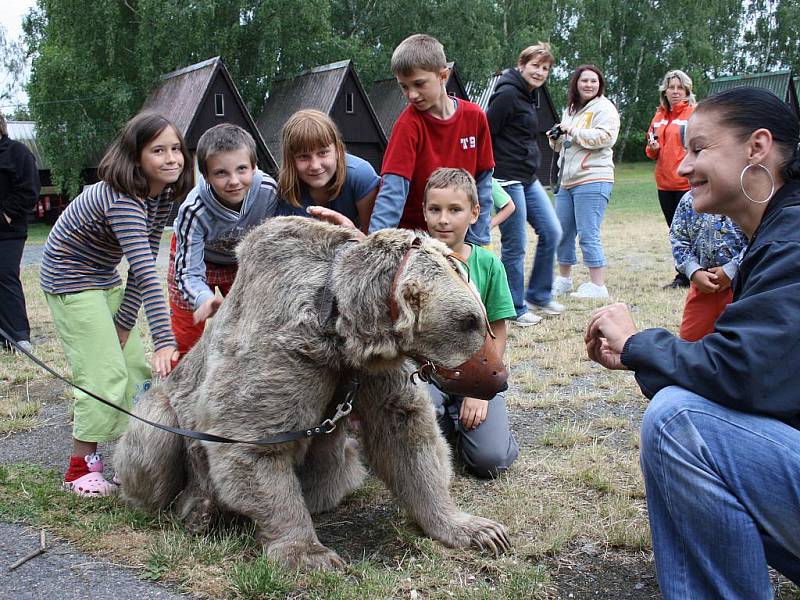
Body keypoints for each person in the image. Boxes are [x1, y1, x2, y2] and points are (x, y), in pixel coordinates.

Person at [584, 87, 800, 599]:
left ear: (758, 147)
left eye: (700, 149)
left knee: (680, 423)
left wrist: (638, 343)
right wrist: (637, 355)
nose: (683, 168)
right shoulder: (777, 235)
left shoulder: (792, 240)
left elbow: (741, 371)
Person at [40, 113, 192, 497]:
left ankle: (132, 460)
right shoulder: (123, 199)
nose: (172, 158)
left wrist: (125, 322)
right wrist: (163, 340)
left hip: (103, 276)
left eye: (176, 149)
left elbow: (138, 268)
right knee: (103, 375)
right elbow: (144, 268)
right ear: (135, 156)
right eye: (158, 150)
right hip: (70, 279)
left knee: (133, 369)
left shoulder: (160, 195)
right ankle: (80, 468)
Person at [421, 168, 518, 477]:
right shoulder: (414, 263)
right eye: (435, 209)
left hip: (476, 374)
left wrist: (480, 392)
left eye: (455, 210)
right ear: (424, 212)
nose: (443, 219)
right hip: (429, 375)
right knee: (415, 435)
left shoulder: (488, 265)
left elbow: (498, 333)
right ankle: (447, 417)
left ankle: (484, 432)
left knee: (489, 462)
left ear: (475, 213)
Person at [367, 34, 495, 252]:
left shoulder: (475, 117)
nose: (412, 94)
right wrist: (375, 248)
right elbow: (392, 193)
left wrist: (480, 243)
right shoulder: (407, 125)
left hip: (458, 238)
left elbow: (483, 185)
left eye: (418, 84)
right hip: (416, 243)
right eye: (404, 87)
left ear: (443, 75)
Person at [169, 124, 278, 358]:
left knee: (250, 328)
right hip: (197, 259)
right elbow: (187, 272)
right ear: (205, 176)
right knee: (185, 337)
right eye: (221, 173)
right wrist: (202, 298)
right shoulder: (193, 210)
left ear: (254, 167)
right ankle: (179, 390)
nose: (234, 181)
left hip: (238, 262)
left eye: (242, 169)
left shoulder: (268, 191)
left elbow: (267, 245)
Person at [487, 42, 563, 325]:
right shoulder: (507, 94)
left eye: (545, 68)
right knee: (515, 245)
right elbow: (487, 130)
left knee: (552, 231)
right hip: (506, 178)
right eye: (535, 65)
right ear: (522, 65)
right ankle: (513, 308)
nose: (540, 72)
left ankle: (539, 294)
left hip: (528, 178)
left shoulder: (530, 95)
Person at [549, 65, 619, 299]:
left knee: (588, 232)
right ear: (576, 83)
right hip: (566, 180)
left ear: (600, 85)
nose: (589, 85)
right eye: (584, 81)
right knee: (563, 232)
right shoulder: (571, 109)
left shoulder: (604, 108)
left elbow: (606, 137)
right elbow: (563, 145)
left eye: (594, 81)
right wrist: (555, 138)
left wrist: (574, 131)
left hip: (593, 177)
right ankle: (564, 279)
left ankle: (598, 285)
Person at [276, 109, 379, 234]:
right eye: (303, 156)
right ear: (290, 159)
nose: (315, 165)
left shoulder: (361, 176)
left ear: (338, 150)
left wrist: (352, 233)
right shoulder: (284, 189)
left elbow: (373, 239)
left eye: (323, 153)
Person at [669, 190, 746, 341]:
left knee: (741, 339)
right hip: (703, 287)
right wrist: (693, 270)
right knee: (691, 340)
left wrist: (732, 269)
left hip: (742, 287)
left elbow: (759, 237)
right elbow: (678, 238)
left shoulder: (747, 197)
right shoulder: (689, 199)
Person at [646, 69, 697, 289]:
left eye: (680, 88)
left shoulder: (694, 115)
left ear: (687, 91)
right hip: (664, 184)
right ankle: (683, 275)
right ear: (665, 91)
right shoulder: (658, 117)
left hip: (688, 183)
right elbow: (650, 151)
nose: (675, 91)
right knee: (675, 232)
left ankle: (697, 273)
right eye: (671, 87)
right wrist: (653, 147)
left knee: (693, 231)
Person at [0, 112, 40, 353]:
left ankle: (19, 336)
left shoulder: (17, 152)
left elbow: (30, 190)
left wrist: (5, 213)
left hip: (9, 231)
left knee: (5, 275)